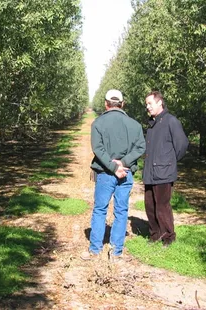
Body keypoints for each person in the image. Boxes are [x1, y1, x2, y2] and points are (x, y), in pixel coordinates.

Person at [81, 89, 146, 261]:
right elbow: (141, 147)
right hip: (125, 173)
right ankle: (116, 251)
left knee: (100, 209)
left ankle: (95, 249)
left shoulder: (98, 123)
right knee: (121, 210)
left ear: (106, 103)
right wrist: (123, 164)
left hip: (105, 174)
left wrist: (112, 166)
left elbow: (98, 148)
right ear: (122, 104)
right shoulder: (135, 125)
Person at [143, 91, 189, 247]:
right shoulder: (152, 123)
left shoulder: (171, 121)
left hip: (164, 173)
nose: (147, 107)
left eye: (150, 103)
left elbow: (182, 145)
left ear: (159, 102)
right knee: (150, 205)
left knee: (163, 205)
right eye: (146, 104)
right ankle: (155, 234)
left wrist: (169, 162)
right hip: (150, 172)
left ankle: (168, 236)